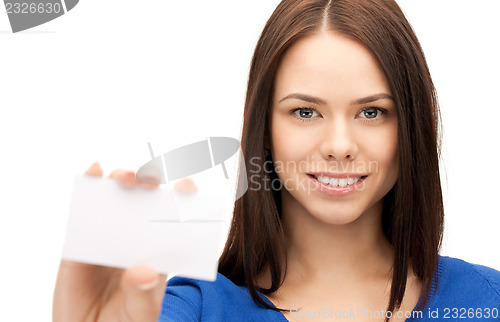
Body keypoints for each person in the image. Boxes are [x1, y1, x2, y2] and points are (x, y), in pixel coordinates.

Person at [53, 0, 500, 321]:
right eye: (305, 112)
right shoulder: (191, 309)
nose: (339, 145)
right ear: (262, 130)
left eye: (372, 112)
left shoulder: (486, 301)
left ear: (411, 129)